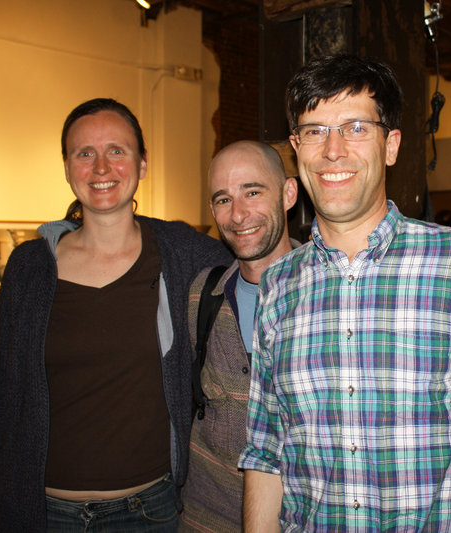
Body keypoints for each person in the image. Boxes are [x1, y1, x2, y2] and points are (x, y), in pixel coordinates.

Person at [239, 55, 451, 532]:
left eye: (355, 128)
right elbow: (266, 450)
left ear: (391, 145)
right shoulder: (278, 288)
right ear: (296, 148)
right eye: (315, 131)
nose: (333, 150)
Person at [0, 98, 232, 532]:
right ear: (68, 167)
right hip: (44, 514)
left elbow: (255, 265)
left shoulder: (185, 255)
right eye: (84, 153)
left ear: (142, 164)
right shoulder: (29, 268)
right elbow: (0, 402)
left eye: (117, 151)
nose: (101, 168)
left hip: (150, 513)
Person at [179, 141, 298, 532]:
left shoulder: (333, 298)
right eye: (223, 199)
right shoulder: (203, 294)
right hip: (205, 520)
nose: (238, 214)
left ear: (288, 194)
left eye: (252, 192)